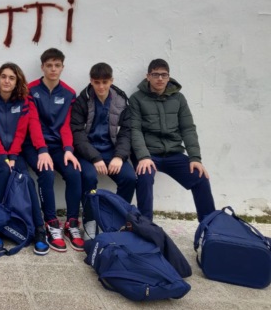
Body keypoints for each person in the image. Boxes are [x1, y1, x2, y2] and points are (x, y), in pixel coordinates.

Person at [129, 58, 215, 222]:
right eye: (156, 75)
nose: (160, 78)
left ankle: (210, 227)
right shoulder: (136, 99)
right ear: (148, 76)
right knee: (144, 177)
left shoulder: (179, 98)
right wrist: (143, 157)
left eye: (164, 75)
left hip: (173, 153)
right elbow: (135, 130)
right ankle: (146, 226)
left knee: (200, 177)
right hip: (149, 154)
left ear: (168, 77)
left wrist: (195, 158)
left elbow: (188, 128)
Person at [0, 62, 52, 256]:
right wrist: (4, 157)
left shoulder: (25, 102)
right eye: (3, 77)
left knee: (25, 178)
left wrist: (13, 156)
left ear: (17, 82)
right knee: (3, 171)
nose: (7, 81)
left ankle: (39, 230)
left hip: (16, 150)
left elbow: (21, 133)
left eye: (11, 78)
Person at [23, 48, 84, 252]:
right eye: (49, 65)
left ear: (62, 67)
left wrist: (68, 149)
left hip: (58, 146)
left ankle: (71, 223)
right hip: (34, 145)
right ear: (42, 67)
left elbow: (66, 125)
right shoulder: (30, 89)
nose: (53, 69)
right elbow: (33, 122)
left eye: (57, 65)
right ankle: (51, 222)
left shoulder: (69, 93)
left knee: (74, 173)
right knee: (46, 172)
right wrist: (42, 150)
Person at [70, 62, 137, 238]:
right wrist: (95, 157)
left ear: (111, 81)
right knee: (89, 177)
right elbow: (77, 133)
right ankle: (90, 221)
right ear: (91, 81)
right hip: (87, 152)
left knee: (129, 178)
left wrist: (119, 156)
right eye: (97, 82)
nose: (101, 86)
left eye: (105, 82)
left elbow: (126, 132)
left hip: (112, 152)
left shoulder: (121, 101)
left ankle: (116, 219)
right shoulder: (82, 100)